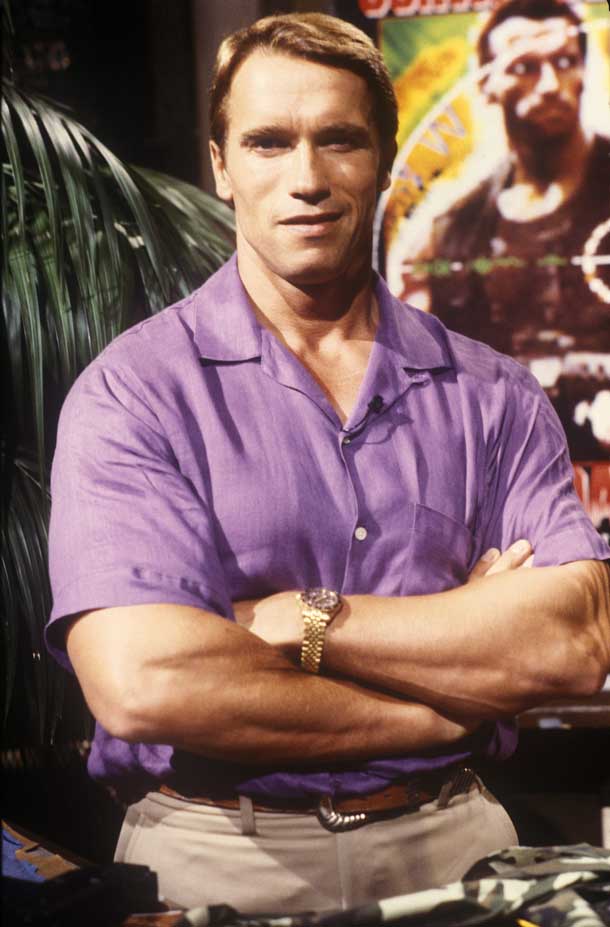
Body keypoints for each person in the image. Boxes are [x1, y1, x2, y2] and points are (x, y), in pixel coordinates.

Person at [45, 12, 610, 915]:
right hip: (217, 852)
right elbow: (147, 681)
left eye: (339, 140)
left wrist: (298, 618)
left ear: (382, 160)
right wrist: (444, 699)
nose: (306, 178)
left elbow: (571, 644)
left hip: (454, 838)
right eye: (268, 142)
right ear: (222, 165)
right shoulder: (133, 393)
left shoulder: (493, 394)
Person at [392, 0, 610, 457]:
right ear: (486, 83)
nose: (550, 85)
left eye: (565, 62)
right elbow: (413, 390)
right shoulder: (445, 235)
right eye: (525, 67)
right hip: (501, 470)